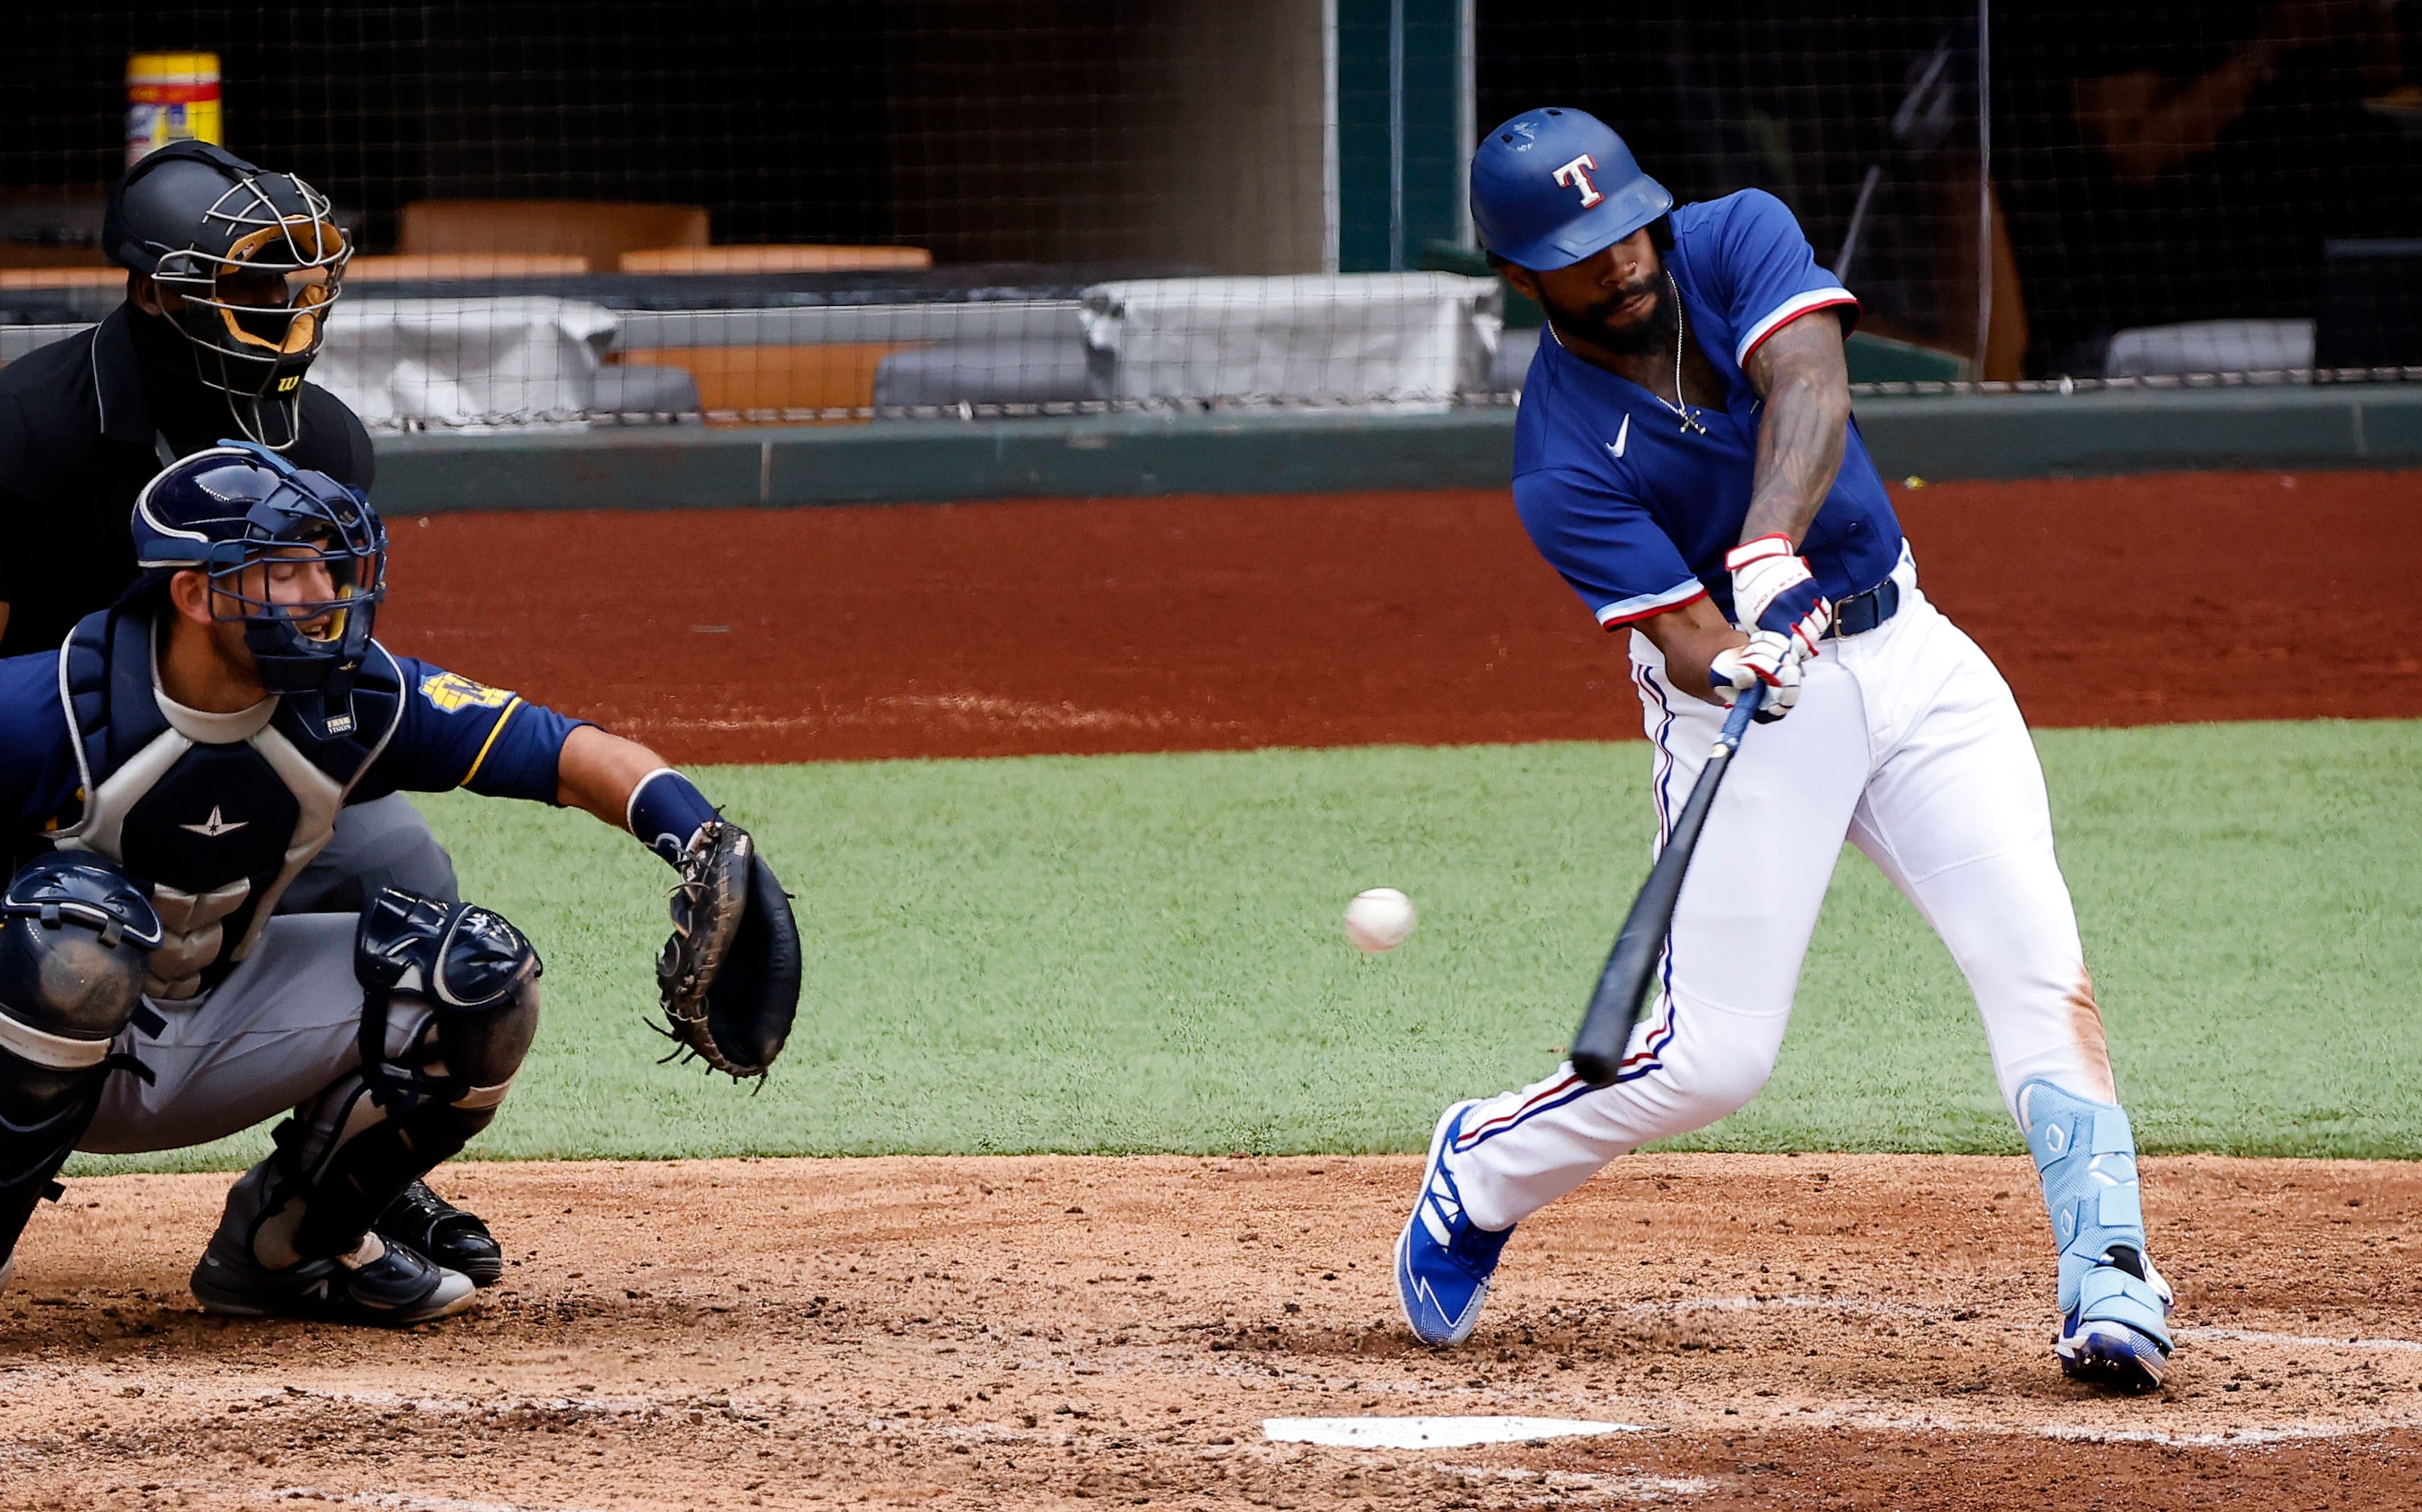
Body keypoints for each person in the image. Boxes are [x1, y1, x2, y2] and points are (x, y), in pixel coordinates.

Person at [1391, 108, 2176, 1394]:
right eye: (1585, 252)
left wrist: (1767, 551)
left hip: (1916, 661)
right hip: (1746, 720)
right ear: (1524, 277)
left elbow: (1809, 382)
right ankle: (1480, 1166)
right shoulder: (1561, 460)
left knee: (2039, 970)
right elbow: (1688, 639)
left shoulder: (1734, 235)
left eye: (1627, 224)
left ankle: (2112, 1268)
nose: (1627, 260)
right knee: (1715, 1059)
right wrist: (1744, 650)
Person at [0, 444, 799, 1323]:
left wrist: (700, 836)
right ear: (193, 594)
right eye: (283, 569)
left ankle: (287, 1250)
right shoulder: (50, 711)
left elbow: (561, 751)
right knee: (75, 936)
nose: (323, 596)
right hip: (33, 1031)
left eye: (325, 566)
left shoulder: (353, 699)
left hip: (209, 1021)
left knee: (480, 983)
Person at [0, 139, 499, 1277]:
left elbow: (323, 664)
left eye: (300, 288)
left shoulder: (325, 442)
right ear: (153, 292)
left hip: (234, 763)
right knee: (48, 941)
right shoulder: (25, 436)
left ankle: (349, 1176)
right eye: (255, 290)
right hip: (42, 783)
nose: (292, 314)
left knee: (404, 867)